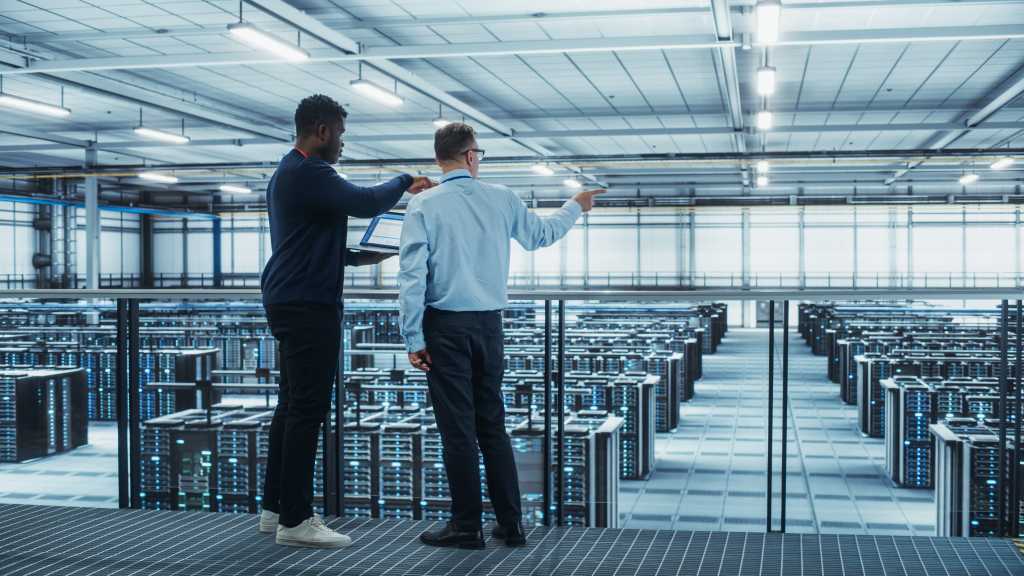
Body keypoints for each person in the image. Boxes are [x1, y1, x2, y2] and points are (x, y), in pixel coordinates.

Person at [398, 122, 604, 549]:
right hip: (490, 327)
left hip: (444, 327)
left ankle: (466, 525)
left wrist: (413, 337)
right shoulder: (502, 197)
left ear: (440, 159)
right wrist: (575, 206)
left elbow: (412, 276)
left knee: (458, 432)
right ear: (471, 156)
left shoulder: (423, 207)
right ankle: (510, 525)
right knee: (492, 426)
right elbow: (540, 236)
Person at [258, 94, 433, 549]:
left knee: (291, 406)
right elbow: (364, 201)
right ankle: (296, 520)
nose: (342, 144)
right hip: (309, 304)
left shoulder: (286, 172)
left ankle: (274, 507)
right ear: (321, 130)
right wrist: (405, 180)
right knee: (308, 410)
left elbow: (307, 240)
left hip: (289, 297)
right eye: (340, 134)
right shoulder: (311, 170)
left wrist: (358, 257)